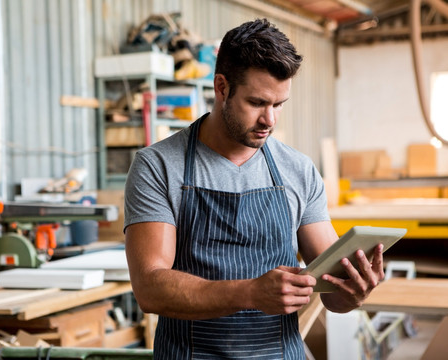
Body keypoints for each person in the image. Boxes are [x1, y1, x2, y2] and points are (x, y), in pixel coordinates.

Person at [124, 18, 385, 359]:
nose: (270, 120)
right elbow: (150, 289)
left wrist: (354, 290)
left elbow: (332, 293)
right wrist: (249, 293)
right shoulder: (159, 166)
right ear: (222, 88)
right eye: (257, 103)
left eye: (278, 105)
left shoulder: (298, 170)